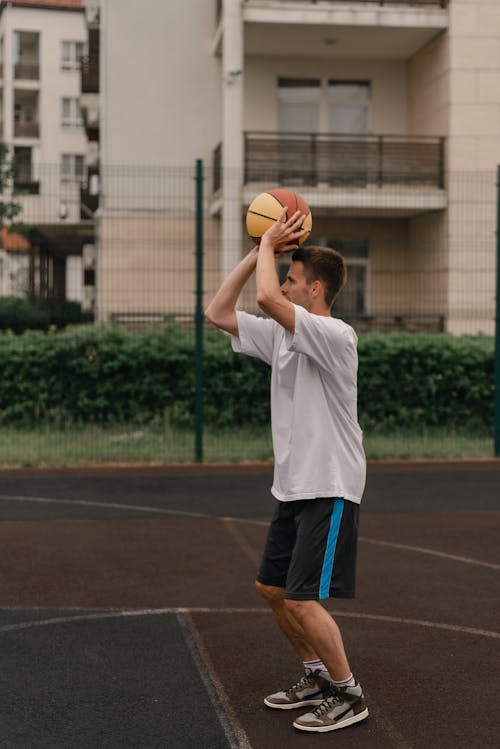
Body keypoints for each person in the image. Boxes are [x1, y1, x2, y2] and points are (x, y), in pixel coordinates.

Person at [205, 208, 368, 734]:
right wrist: (260, 253)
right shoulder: (281, 335)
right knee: (272, 591)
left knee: (301, 598)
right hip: (295, 485)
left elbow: (266, 298)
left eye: (294, 277)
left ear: (315, 289)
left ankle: (349, 693)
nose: (283, 283)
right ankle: (317, 675)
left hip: (331, 484)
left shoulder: (335, 334)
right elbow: (218, 311)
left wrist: (272, 240)